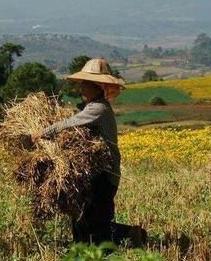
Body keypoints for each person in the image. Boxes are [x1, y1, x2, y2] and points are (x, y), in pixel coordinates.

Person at [31, 58, 144, 247]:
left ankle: (131, 235)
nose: (81, 89)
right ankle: (87, 247)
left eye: (86, 85)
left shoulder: (98, 109)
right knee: (83, 218)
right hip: (96, 172)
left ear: (98, 87)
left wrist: (43, 133)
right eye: (81, 85)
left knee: (95, 222)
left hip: (105, 174)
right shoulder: (92, 107)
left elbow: (69, 124)